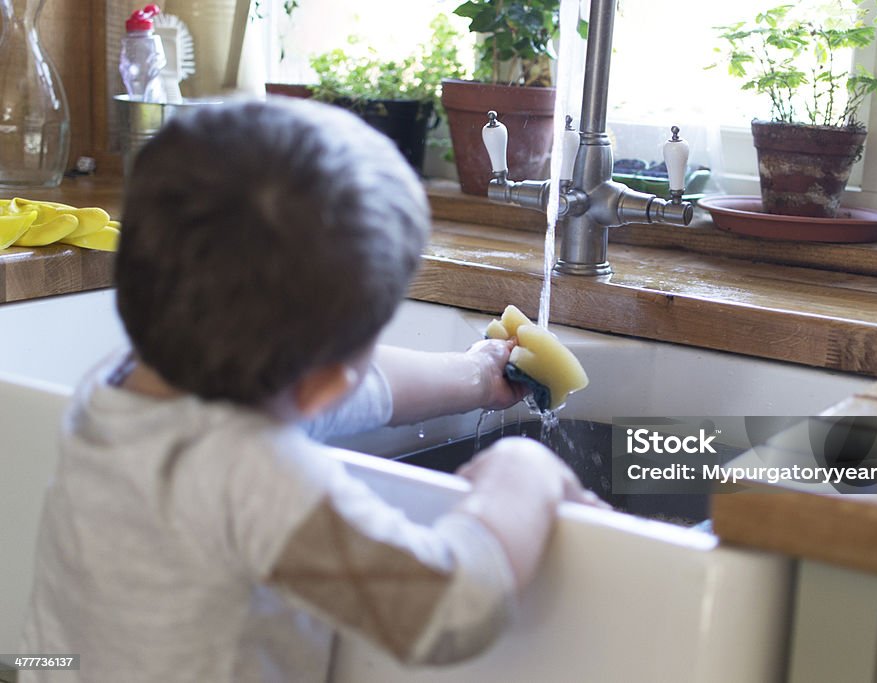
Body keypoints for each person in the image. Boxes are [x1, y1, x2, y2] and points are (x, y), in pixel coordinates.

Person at [20, 98, 597, 682]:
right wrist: (523, 475)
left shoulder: (121, 385)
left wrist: (474, 375)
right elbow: (444, 612)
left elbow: (330, 390)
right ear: (324, 382)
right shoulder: (255, 476)